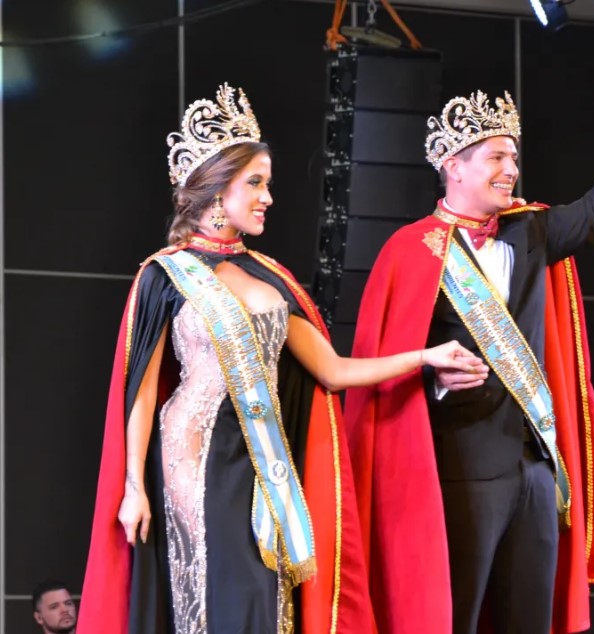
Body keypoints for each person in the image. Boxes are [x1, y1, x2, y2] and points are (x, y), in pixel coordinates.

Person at [76, 82, 478, 634]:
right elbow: (142, 392)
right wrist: (132, 486)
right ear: (216, 189)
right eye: (255, 183)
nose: (268, 197)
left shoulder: (272, 277)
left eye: (267, 183)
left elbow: (333, 371)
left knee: (267, 595)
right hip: (193, 455)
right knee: (222, 589)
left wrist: (425, 356)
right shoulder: (165, 274)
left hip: (263, 458)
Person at [343, 68, 594, 634]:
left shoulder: (532, 230)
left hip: (536, 470)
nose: (511, 169)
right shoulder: (410, 251)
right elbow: (386, 365)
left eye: (514, 158)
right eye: (496, 157)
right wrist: (435, 379)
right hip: (460, 467)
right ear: (454, 166)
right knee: (456, 618)